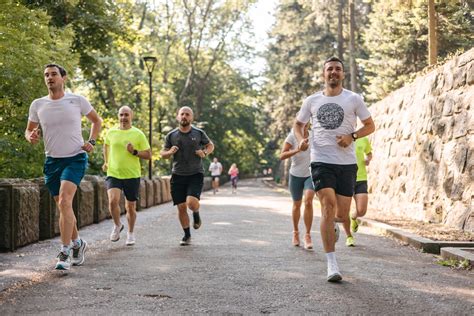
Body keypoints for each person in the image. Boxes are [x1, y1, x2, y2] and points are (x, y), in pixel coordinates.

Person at [293, 56, 375, 282]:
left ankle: (333, 227)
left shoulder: (354, 99)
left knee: (340, 214)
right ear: (323, 74)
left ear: (343, 74)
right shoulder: (312, 100)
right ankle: (332, 263)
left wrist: (352, 136)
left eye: (338, 69)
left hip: (347, 164)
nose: (333, 72)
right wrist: (301, 140)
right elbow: (298, 124)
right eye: (329, 69)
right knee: (327, 206)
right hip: (321, 161)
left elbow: (370, 125)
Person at [25, 63, 102, 270]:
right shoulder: (38, 104)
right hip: (52, 161)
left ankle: (64, 252)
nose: (49, 77)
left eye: (54, 74)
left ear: (63, 78)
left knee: (66, 201)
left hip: (75, 157)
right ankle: (78, 243)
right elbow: (29, 130)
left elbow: (97, 121)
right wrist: (31, 136)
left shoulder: (76, 100)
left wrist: (91, 142)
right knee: (63, 206)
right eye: (46, 75)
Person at [160, 106, 214, 246]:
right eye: (182, 114)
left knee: (190, 203)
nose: (184, 116)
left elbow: (210, 145)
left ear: (192, 118)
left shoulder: (199, 133)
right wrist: (170, 152)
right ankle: (187, 235)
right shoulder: (171, 135)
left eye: (187, 114)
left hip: (195, 174)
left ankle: (196, 212)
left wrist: (205, 153)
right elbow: (163, 154)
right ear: (178, 117)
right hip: (177, 175)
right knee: (181, 207)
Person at [102, 106, 151, 246]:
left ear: (131, 116)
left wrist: (134, 151)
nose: (123, 117)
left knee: (130, 207)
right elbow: (106, 146)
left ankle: (130, 233)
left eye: (126, 115)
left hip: (132, 174)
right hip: (113, 173)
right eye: (121, 115)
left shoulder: (138, 134)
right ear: (118, 116)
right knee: (112, 201)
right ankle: (117, 225)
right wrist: (106, 162)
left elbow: (148, 155)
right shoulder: (111, 132)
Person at [280, 123, 315, 250]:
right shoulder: (291, 137)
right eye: (301, 123)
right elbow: (282, 155)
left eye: (306, 123)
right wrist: (297, 150)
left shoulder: (314, 135)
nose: (304, 126)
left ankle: (307, 235)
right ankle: (295, 233)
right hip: (295, 175)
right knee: (296, 205)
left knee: (309, 201)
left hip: (310, 174)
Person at [347, 136, 373, 245]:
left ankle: (353, 217)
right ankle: (349, 237)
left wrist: (368, 159)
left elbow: (369, 153)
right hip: (346, 178)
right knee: (344, 210)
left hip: (361, 178)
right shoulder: (341, 136)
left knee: (362, 211)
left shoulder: (363, 138)